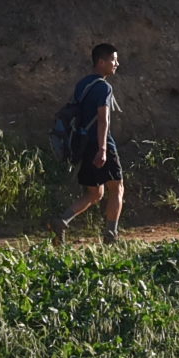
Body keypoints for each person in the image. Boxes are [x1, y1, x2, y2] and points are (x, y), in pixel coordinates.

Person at [54, 43, 127, 246]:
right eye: (113, 60)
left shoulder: (82, 84)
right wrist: (103, 149)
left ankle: (62, 220)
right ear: (101, 62)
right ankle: (111, 236)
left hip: (83, 144)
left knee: (95, 193)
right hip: (100, 144)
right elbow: (103, 120)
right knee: (117, 188)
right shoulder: (104, 87)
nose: (117, 64)